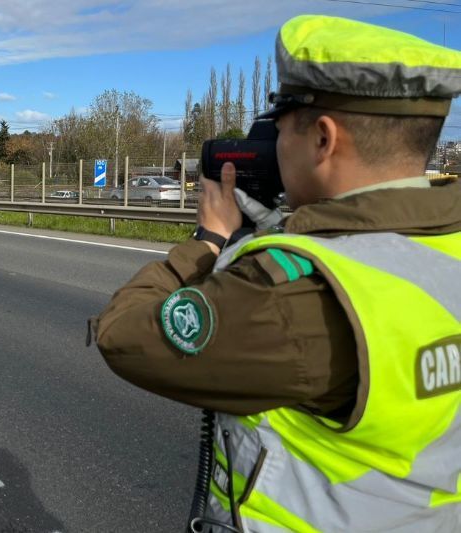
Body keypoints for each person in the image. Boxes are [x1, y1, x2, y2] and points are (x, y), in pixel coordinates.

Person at [93, 14, 461, 532]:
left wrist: (209, 241)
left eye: (280, 125)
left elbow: (122, 336)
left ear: (323, 139)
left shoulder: (296, 291)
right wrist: (293, 226)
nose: (272, 143)